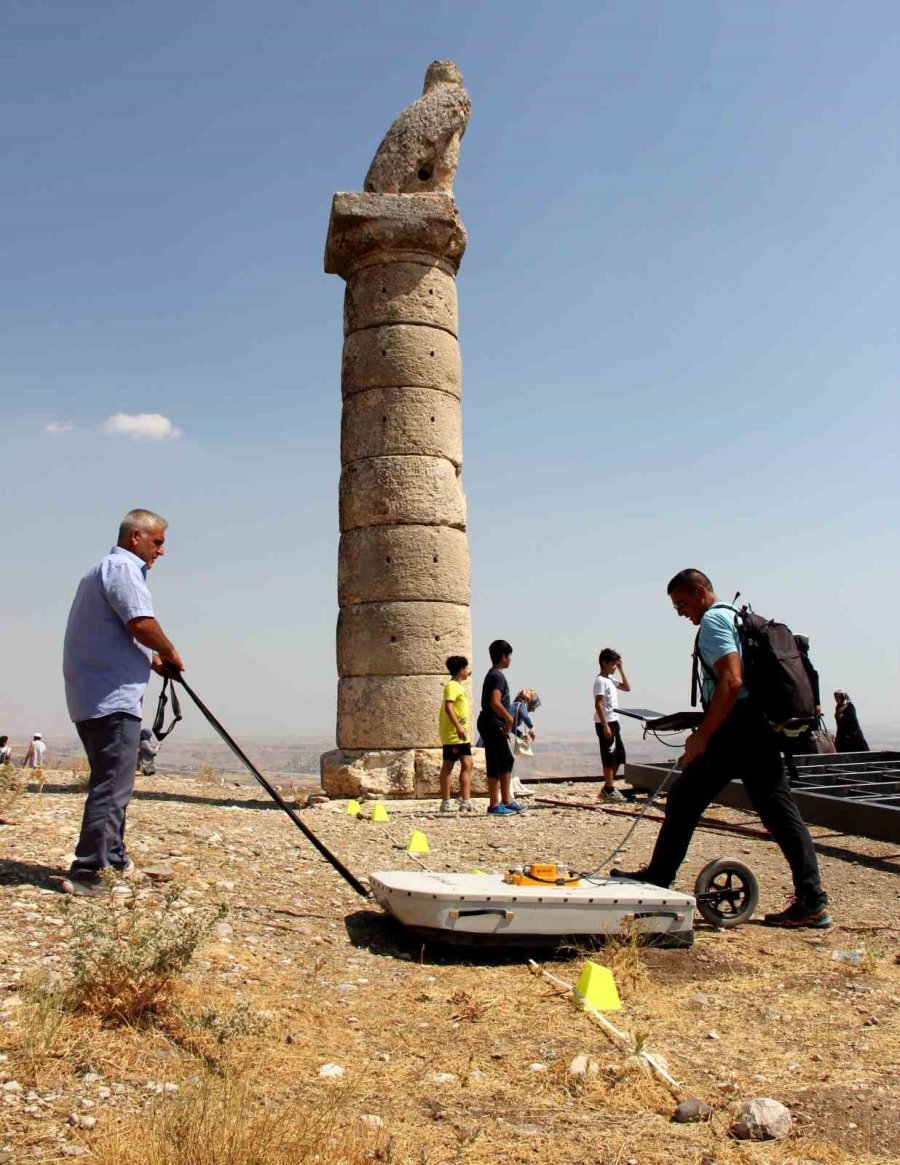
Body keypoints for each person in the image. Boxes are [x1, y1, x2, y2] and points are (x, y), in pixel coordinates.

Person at [612, 569, 831, 929]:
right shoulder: (735, 616)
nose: (681, 612)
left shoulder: (714, 622)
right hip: (756, 728)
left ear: (700, 592)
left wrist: (703, 734)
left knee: (685, 799)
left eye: (682, 603)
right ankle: (813, 901)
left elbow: (731, 681)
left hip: (735, 730)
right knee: (779, 814)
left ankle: (658, 878)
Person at [61, 509, 185, 896]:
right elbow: (140, 622)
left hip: (98, 694)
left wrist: (151, 660)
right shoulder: (122, 568)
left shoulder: (103, 570)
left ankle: (113, 859)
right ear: (136, 536)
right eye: (158, 542)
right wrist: (170, 652)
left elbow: (119, 634)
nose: (161, 552)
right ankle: (90, 872)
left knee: (116, 783)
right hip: (111, 698)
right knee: (112, 785)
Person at [476, 639, 525, 816]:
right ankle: (494, 804)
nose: (510, 659)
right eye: (509, 656)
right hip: (492, 721)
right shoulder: (497, 676)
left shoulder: (494, 675)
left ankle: (506, 800)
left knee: (506, 760)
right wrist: (509, 719)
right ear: (503, 657)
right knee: (495, 762)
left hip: (492, 721)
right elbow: (495, 702)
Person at [438, 655, 474, 813]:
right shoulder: (452, 686)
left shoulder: (458, 686)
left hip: (458, 733)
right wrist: (458, 727)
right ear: (461, 670)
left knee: (467, 764)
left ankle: (465, 801)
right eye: (466, 668)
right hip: (454, 733)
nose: (468, 671)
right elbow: (448, 707)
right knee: (450, 765)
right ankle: (447, 801)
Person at [593, 649, 631, 801]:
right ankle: (609, 788)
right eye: (613, 664)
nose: (615, 667)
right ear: (604, 663)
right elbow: (598, 704)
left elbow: (627, 688)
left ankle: (608, 787)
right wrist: (605, 726)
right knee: (608, 755)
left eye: (617, 664)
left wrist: (621, 670)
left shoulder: (610, 679)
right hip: (605, 722)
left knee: (619, 755)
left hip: (614, 721)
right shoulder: (600, 681)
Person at [510, 689, 540, 798]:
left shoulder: (514, 705)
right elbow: (525, 716)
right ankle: (511, 789)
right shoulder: (520, 704)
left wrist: (522, 735)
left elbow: (512, 727)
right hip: (499, 734)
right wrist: (532, 729)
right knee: (508, 762)